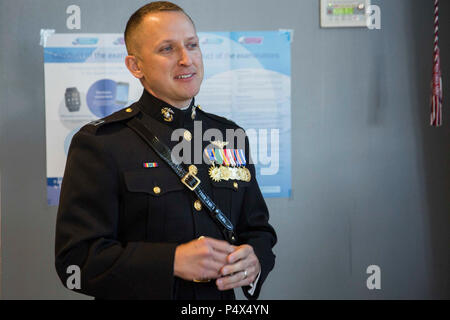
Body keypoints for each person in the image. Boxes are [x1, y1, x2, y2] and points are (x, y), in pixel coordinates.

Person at [55, 1, 277, 300]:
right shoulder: (102, 142)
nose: (187, 59)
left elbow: (258, 230)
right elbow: (76, 261)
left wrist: (255, 260)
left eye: (192, 45)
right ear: (136, 66)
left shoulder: (229, 135)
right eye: (167, 49)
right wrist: (170, 261)